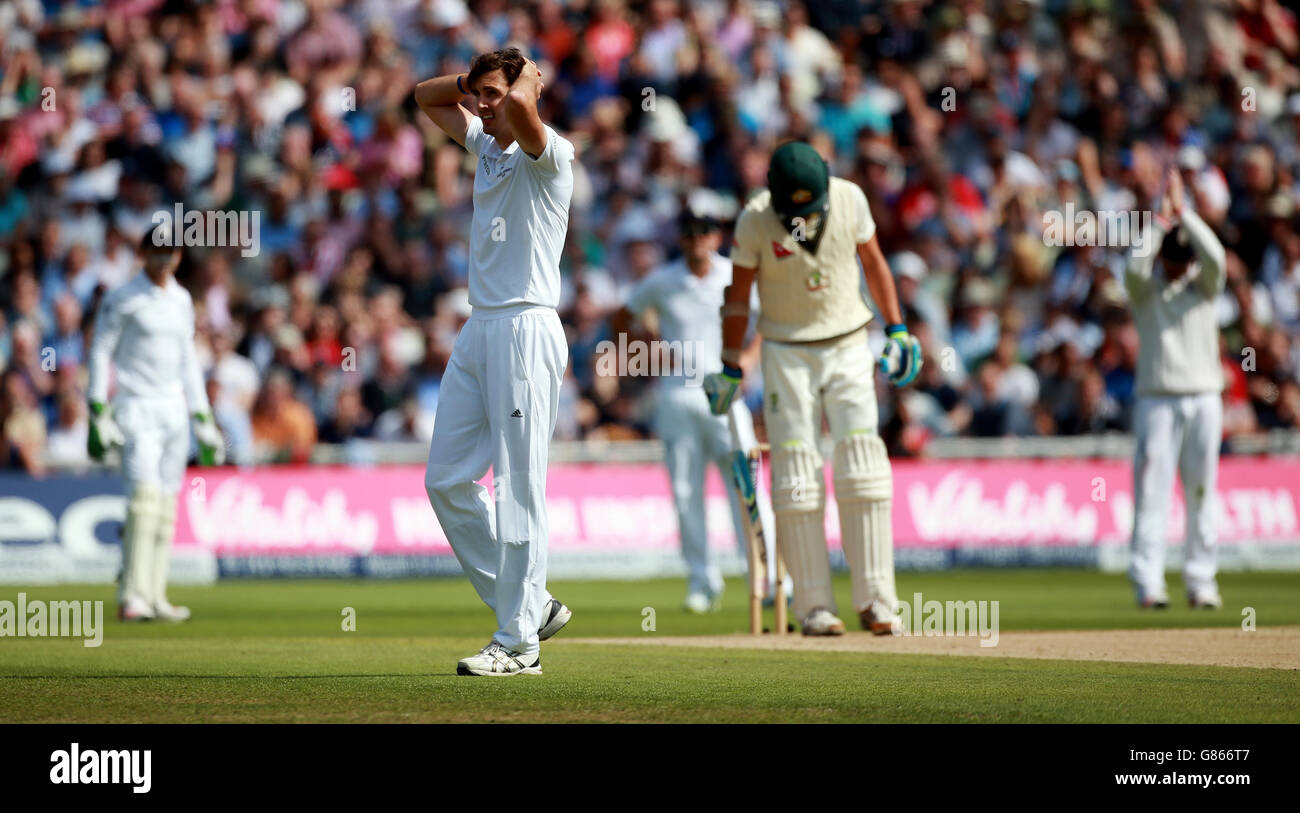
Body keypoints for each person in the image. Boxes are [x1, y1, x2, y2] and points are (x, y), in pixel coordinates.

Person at [704, 141, 922, 636]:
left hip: (848, 343)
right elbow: (736, 298)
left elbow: (876, 263)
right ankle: (815, 607)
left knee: (864, 463)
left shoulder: (849, 198)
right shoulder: (755, 219)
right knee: (797, 473)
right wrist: (731, 365)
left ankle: (878, 602)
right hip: (786, 351)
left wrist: (897, 328)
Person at [415, 48, 576, 675]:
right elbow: (424, 96)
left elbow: (525, 113)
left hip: (526, 325)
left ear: (523, 90)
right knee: (447, 479)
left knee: (517, 490)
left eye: (493, 93)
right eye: (478, 94)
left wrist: (522, 82)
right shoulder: (486, 144)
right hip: (480, 326)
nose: (482, 104)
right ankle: (531, 605)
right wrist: (471, 83)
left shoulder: (551, 155)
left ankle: (518, 644)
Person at [611, 205, 774, 613]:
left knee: (747, 485)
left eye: (706, 232)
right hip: (678, 394)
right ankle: (702, 582)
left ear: (717, 237)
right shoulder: (663, 281)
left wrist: (749, 361)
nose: (698, 240)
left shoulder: (733, 274)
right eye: (690, 232)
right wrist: (648, 350)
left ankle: (765, 578)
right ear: (681, 238)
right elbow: (621, 317)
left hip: (726, 393)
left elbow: (769, 319)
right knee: (686, 494)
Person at [86, 226, 225, 622]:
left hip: (173, 413)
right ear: (144, 252)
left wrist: (203, 418)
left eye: (172, 252)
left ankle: (156, 593)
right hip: (135, 408)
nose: (165, 259)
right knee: (143, 502)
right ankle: (131, 595)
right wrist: (97, 407)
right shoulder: (122, 298)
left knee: (165, 506)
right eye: (157, 251)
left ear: (179, 256)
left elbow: (187, 361)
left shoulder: (181, 298)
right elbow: (100, 352)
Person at [1124, 168, 1227, 609]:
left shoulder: (1204, 289)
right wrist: (1162, 221)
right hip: (1157, 399)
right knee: (1152, 490)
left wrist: (1186, 213)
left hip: (1205, 396)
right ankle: (1149, 582)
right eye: (1173, 260)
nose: (1179, 267)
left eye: (1185, 261)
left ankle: (1201, 580)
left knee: (1201, 488)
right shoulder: (1146, 293)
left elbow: (1217, 257)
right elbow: (1133, 264)